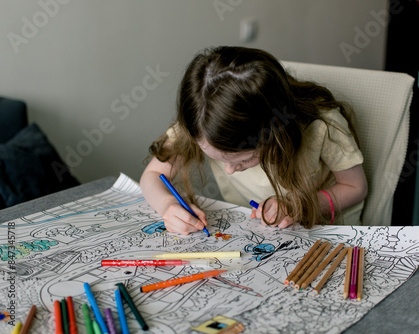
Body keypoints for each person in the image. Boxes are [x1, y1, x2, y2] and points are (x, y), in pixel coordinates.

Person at [140, 46, 367, 235]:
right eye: (217, 159)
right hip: (257, 232)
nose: (229, 170)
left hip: (326, 232)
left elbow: (355, 187)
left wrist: (299, 207)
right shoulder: (203, 122)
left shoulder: (323, 125)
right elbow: (152, 176)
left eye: (244, 160)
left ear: (276, 132)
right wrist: (167, 206)